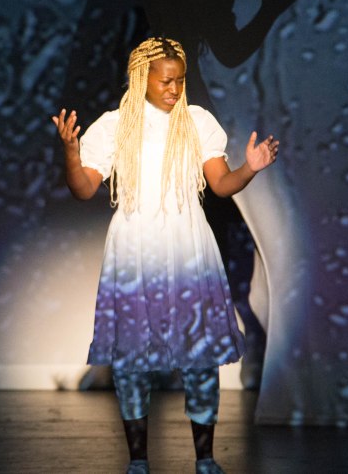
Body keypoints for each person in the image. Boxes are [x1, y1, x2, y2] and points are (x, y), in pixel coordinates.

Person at [51, 36, 279, 474]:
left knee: (200, 357)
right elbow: (82, 189)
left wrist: (249, 168)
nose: (175, 89)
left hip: (188, 247)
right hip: (134, 250)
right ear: (142, 78)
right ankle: (138, 461)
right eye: (165, 81)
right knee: (132, 360)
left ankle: (206, 459)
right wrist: (72, 154)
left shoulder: (197, 121)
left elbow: (221, 184)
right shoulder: (114, 126)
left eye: (180, 80)